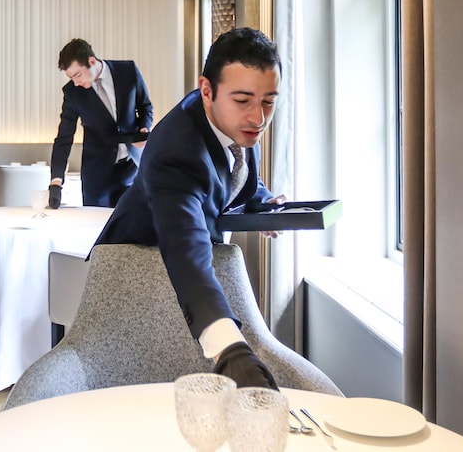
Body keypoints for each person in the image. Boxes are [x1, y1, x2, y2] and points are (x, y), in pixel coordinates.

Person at [92, 27, 286, 389]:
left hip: (188, 283)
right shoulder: (175, 150)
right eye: (243, 100)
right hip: (134, 278)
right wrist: (231, 351)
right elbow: (187, 251)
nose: (258, 118)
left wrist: (260, 201)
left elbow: (231, 171)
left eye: (268, 102)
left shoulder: (233, 119)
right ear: (207, 90)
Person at [48, 39, 153, 208]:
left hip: (132, 169)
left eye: (78, 75)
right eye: (71, 77)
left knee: (133, 221)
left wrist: (143, 131)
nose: (76, 82)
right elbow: (64, 138)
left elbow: (145, 106)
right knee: (98, 224)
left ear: (91, 61)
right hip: (97, 177)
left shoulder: (128, 71)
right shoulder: (73, 93)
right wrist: (56, 182)